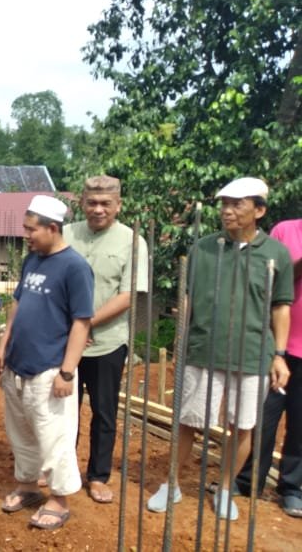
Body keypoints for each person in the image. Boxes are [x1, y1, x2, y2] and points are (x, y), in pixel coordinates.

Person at [148, 177, 292, 521]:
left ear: (259, 210)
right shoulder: (204, 249)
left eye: (237, 204)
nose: (227, 210)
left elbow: (280, 306)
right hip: (204, 349)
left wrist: (280, 354)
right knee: (188, 421)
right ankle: (172, 484)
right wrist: (181, 340)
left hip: (253, 353)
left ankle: (225, 489)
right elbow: (188, 298)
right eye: (224, 203)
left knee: (242, 427)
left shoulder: (276, 254)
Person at [0, 195, 94, 530]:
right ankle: (28, 487)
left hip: (50, 367)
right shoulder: (32, 260)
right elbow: (18, 305)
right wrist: (2, 347)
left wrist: (67, 372)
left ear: (53, 228)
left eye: (31, 229)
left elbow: (82, 323)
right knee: (21, 432)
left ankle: (59, 499)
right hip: (17, 365)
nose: (26, 235)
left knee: (55, 437)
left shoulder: (75, 267)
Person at [63, 175, 148, 504]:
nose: (98, 209)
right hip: (66, 340)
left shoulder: (131, 241)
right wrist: (70, 327)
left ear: (118, 205)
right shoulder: (67, 234)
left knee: (104, 411)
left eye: (105, 204)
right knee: (63, 408)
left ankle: (98, 476)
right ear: (82, 203)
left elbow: (127, 295)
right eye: (92, 203)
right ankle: (62, 467)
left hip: (108, 341)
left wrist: (85, 324)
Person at [233, 216, 302, 518]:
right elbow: (271, 284)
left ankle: (291, 488)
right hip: (279, 344)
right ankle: (248, 479)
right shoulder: (285, 231)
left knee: (300, 424)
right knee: (262, 416)